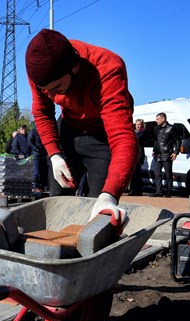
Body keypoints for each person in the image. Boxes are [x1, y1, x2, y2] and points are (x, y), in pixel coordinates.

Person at [25, 29, 137, 226]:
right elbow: (42, 112)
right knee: (58, 202)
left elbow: (122, 138)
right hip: (68, 126)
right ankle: (57, 251)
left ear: (74, 68)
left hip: (101, 133)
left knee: (100, 211)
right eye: (45, 90)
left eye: (57, 88)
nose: (51, 95)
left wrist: (109, 195)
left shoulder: (107, 68)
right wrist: (54, 154)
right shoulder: (39, 69)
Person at [150, 112, 179, 197]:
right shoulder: (156, 128)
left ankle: (169, 192)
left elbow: (178, 140)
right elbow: (156, 140)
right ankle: (159, 192)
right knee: (157, 173)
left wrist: (175, 152)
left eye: (158, 119)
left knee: (168, 174)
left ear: (163, 119)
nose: (156, 121)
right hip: (158, 155)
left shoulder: (171, 128)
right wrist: (154, 150)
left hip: (167, 154)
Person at [28, 125, 49, 195]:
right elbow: (30, 142)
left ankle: (42, 186)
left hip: (43, 154)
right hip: (36, 154)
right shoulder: (33, 131)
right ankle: (35, 186)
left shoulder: (43, 132)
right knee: (36, 172)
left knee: (43, 171)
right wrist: (36, 149)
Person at [128, 119, 147, 195]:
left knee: (137, 173)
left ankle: (137, 190)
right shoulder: (133, 132)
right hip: (132, 154)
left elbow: (139, 141)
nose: (138, 126)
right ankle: (132, 189)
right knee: (133, 173)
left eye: (139, 124)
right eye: (137, 124)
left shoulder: (143, 133)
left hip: (139, 154)